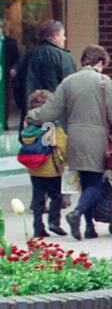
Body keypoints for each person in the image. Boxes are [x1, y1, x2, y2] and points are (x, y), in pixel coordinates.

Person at [25, 44, 112, 241]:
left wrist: (32, 115)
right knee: (95, 183)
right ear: (100, 62)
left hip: (74, 138)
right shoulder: (104, 81)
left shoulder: (68, 82)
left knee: (84, 183)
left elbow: (51, 111)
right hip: (97, 139)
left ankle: (89, 228)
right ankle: (77, 213)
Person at [20, 89, 66, 238]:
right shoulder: (50, 125)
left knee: (38, 198)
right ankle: (54, 222)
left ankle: (38, 227)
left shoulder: (28, 124)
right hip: (50, 167)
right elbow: (60, 144)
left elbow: (25, 140)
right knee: (57, 196)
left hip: (34, 168)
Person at [16, 20, 76, 125]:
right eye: (63, 35)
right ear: (55, 36)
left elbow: (17, 85)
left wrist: (24, 107)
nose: (64, 38)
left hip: (31, 118)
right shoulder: (63, 57)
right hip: (57, 120)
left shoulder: (28, 56)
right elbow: (72, 88)